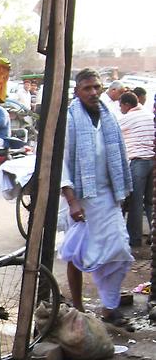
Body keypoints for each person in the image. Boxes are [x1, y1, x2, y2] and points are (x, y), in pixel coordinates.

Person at [59, 68, 134, 328]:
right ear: (77, 91)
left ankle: (109, 307)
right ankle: (78, 307)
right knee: (77, 255)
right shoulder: (70, 119)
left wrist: (122, 191)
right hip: (81, 196)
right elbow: (62, 164)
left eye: (96, 87)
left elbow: (119, 156)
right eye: (87, 88)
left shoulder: (108, 116)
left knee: (120, 251)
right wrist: (72, 201)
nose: (93, 92)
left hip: (108, 195)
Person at [117, 90, 153, 249]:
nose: (120, 109)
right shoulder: (148, 115)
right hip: (153, 161)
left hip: (138, 162)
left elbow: (114, 134)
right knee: (151, 202)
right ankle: (153, 236)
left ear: (126, 105)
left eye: (121, 106)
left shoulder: (128, 118)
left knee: (135, 202)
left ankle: (134, 239)